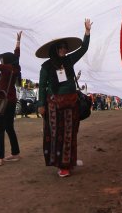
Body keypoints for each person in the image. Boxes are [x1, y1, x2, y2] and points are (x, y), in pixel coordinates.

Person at [37, 20, 92, 177]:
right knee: (56, 135)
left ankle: (68, 162)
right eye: (60, 47)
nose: (63, 50)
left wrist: (87, 33)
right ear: (55, 49)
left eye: (64, 47)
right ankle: (61, 165)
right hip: (54, 105)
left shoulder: (69, 60)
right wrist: (41, 105)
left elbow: (84, 49)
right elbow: (42, 86)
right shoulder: (46, 66)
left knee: (70, 134)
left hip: (71, 103)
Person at [0, 31, 23, 166]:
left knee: (0, 129)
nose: (2, 61)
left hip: (2, 100)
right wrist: (18, 42)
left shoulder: (7, 68)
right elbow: (17, 56)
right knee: (9, 128)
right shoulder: (15, 67)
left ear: (6, 61)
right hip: (12, 101)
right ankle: (15, 153)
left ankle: (0, 157)